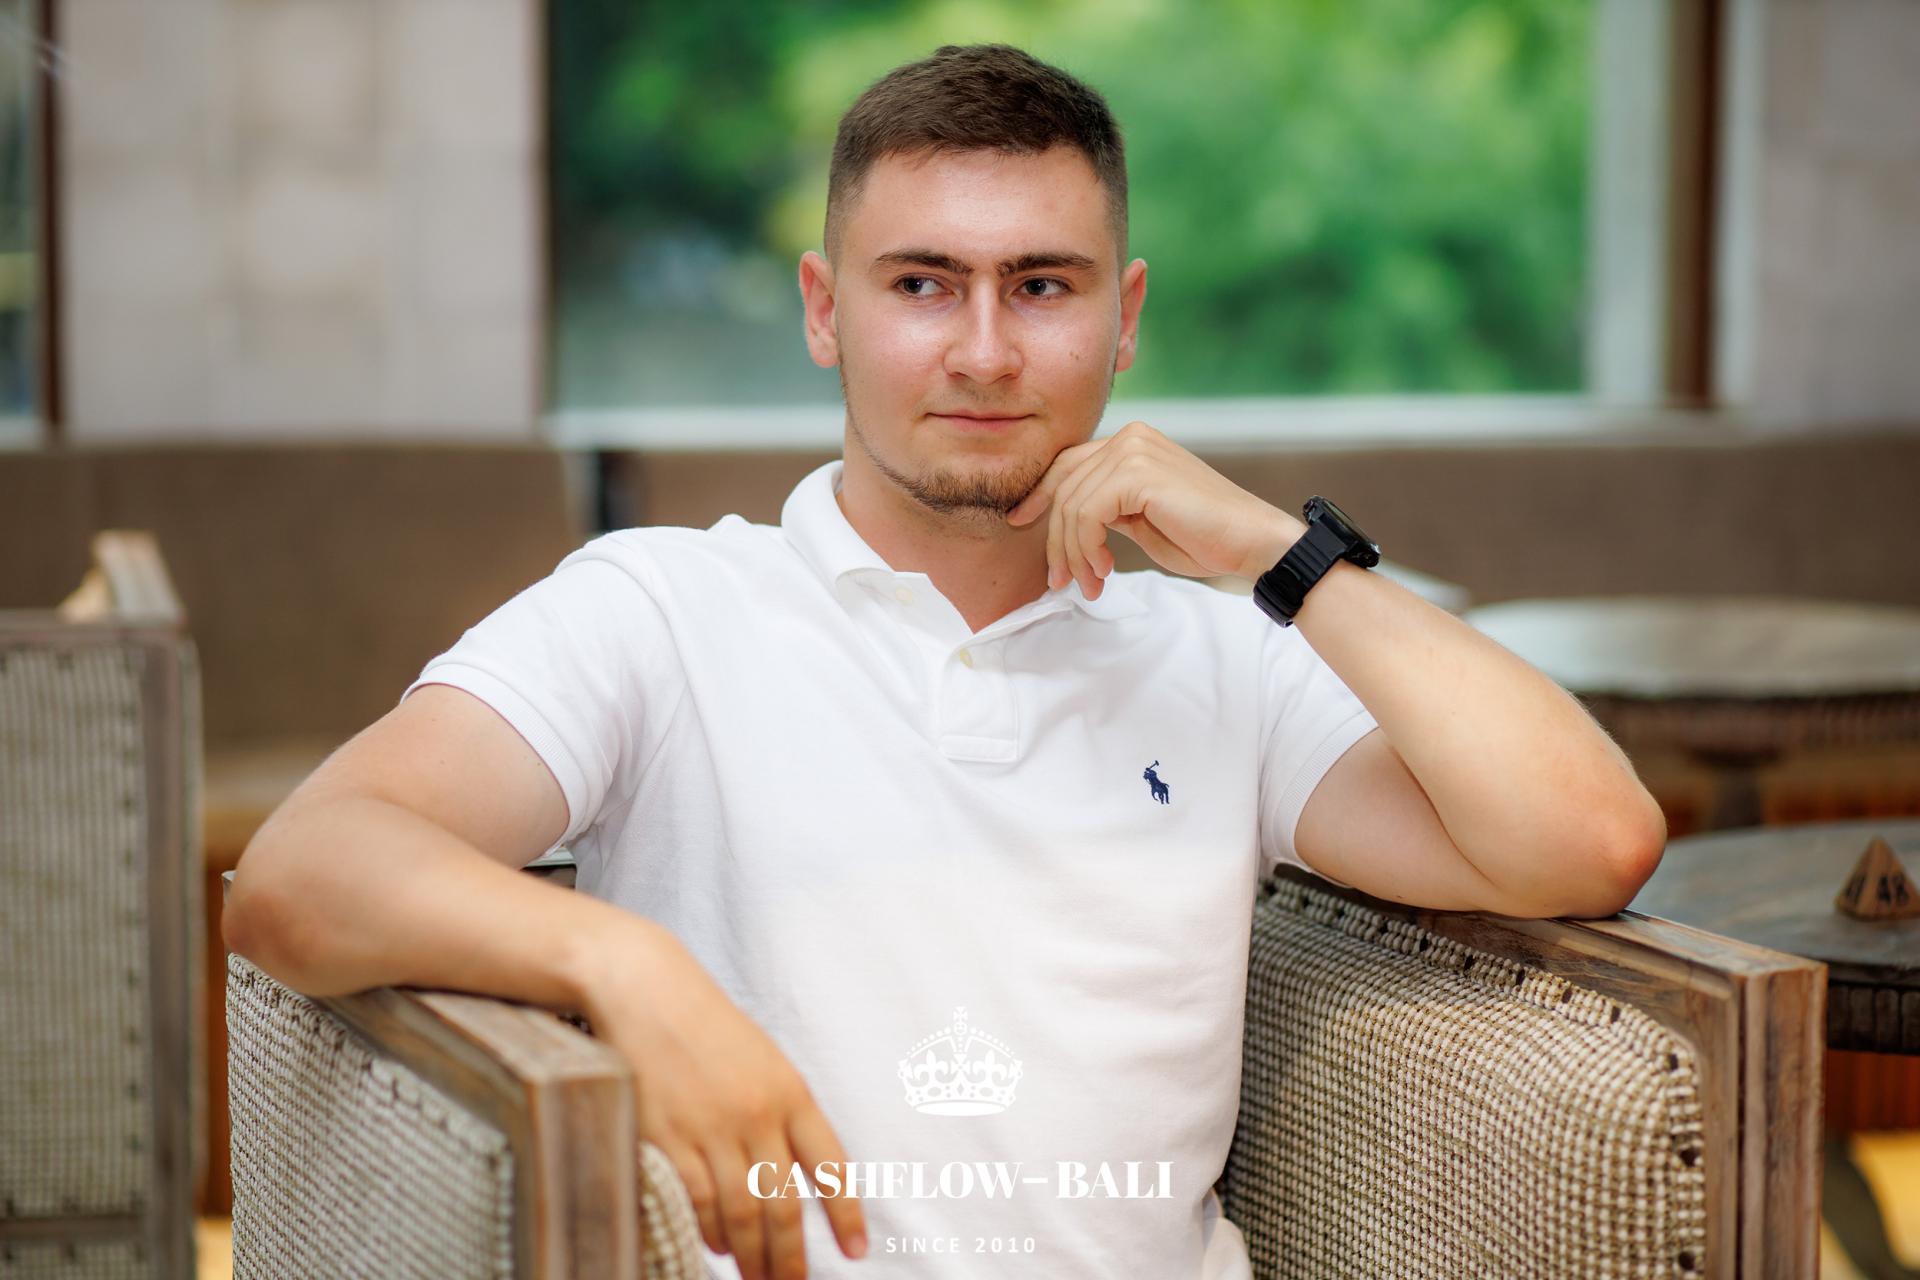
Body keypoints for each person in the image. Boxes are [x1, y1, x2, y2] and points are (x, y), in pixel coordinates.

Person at [224, 43, 1667, 1280]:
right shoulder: (660, 609)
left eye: (1041, 286)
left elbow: (1587, 841)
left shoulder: (1225, 658)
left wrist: (1276, 552)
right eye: (923, 283)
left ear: (1125, 317)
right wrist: (623, 965)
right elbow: (301, 873)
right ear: (823, 309)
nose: (983, 352)